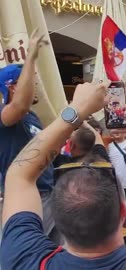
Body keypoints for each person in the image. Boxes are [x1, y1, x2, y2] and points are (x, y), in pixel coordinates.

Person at [0, 81, 126, 269]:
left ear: (57, 219)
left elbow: (19, 174)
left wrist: (75, 111)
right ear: (123, 212)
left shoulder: (24, 259)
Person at [0, 31, 57, 240]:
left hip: (49, 194)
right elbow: (19, 106)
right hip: (26, 199)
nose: (35, 84)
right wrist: (30, 58)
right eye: (30, 79)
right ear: (11, 88)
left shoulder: (32, 117)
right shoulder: (5, 113)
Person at [107, 130, 126, 211]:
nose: (116, 131)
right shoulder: (109, 147)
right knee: (122, 210)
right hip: (119, 184)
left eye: (119, 128)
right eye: (114, 129)